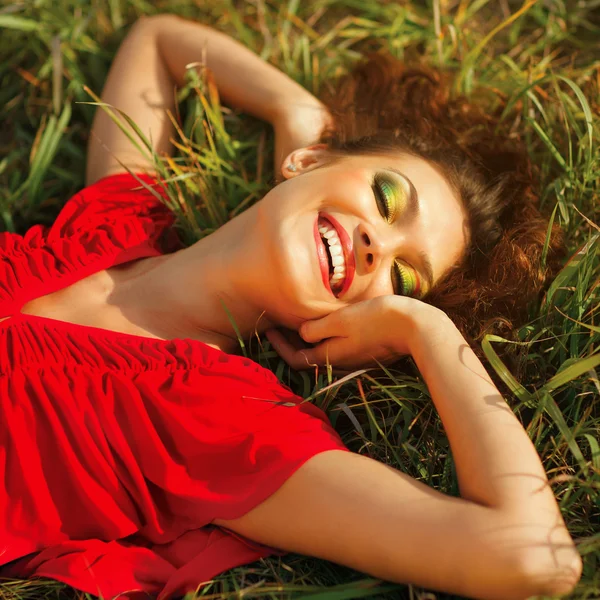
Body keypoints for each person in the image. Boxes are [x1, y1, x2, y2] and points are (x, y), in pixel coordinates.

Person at [0, 13, 582, 600]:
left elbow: (532, 556)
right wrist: (293, 109)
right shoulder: (112, 226)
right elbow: (158, 40)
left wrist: (425, 330)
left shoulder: (227, 425)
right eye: (385, 197)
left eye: (405, 278)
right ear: (309, 161)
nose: (378, 243)